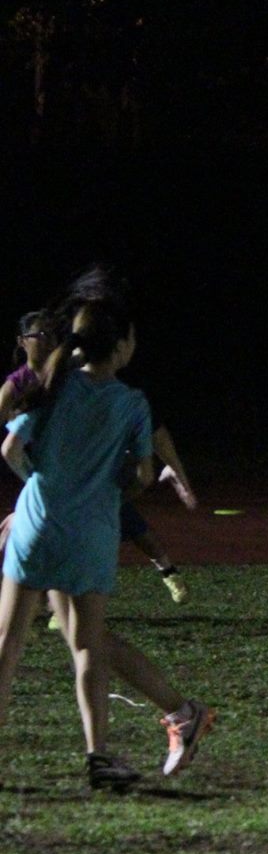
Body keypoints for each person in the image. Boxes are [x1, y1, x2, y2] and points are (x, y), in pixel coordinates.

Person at [1, 293, 211, 788]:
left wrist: (41, 486)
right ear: (121, 346)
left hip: (35, 527)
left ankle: (182, 713)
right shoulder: (131, 403)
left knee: (8, 644)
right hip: (89, 534)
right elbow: (141, 476)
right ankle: (104, 754)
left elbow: (11, 446)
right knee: (88, 645)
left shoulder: (55, 385)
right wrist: (108, 487)